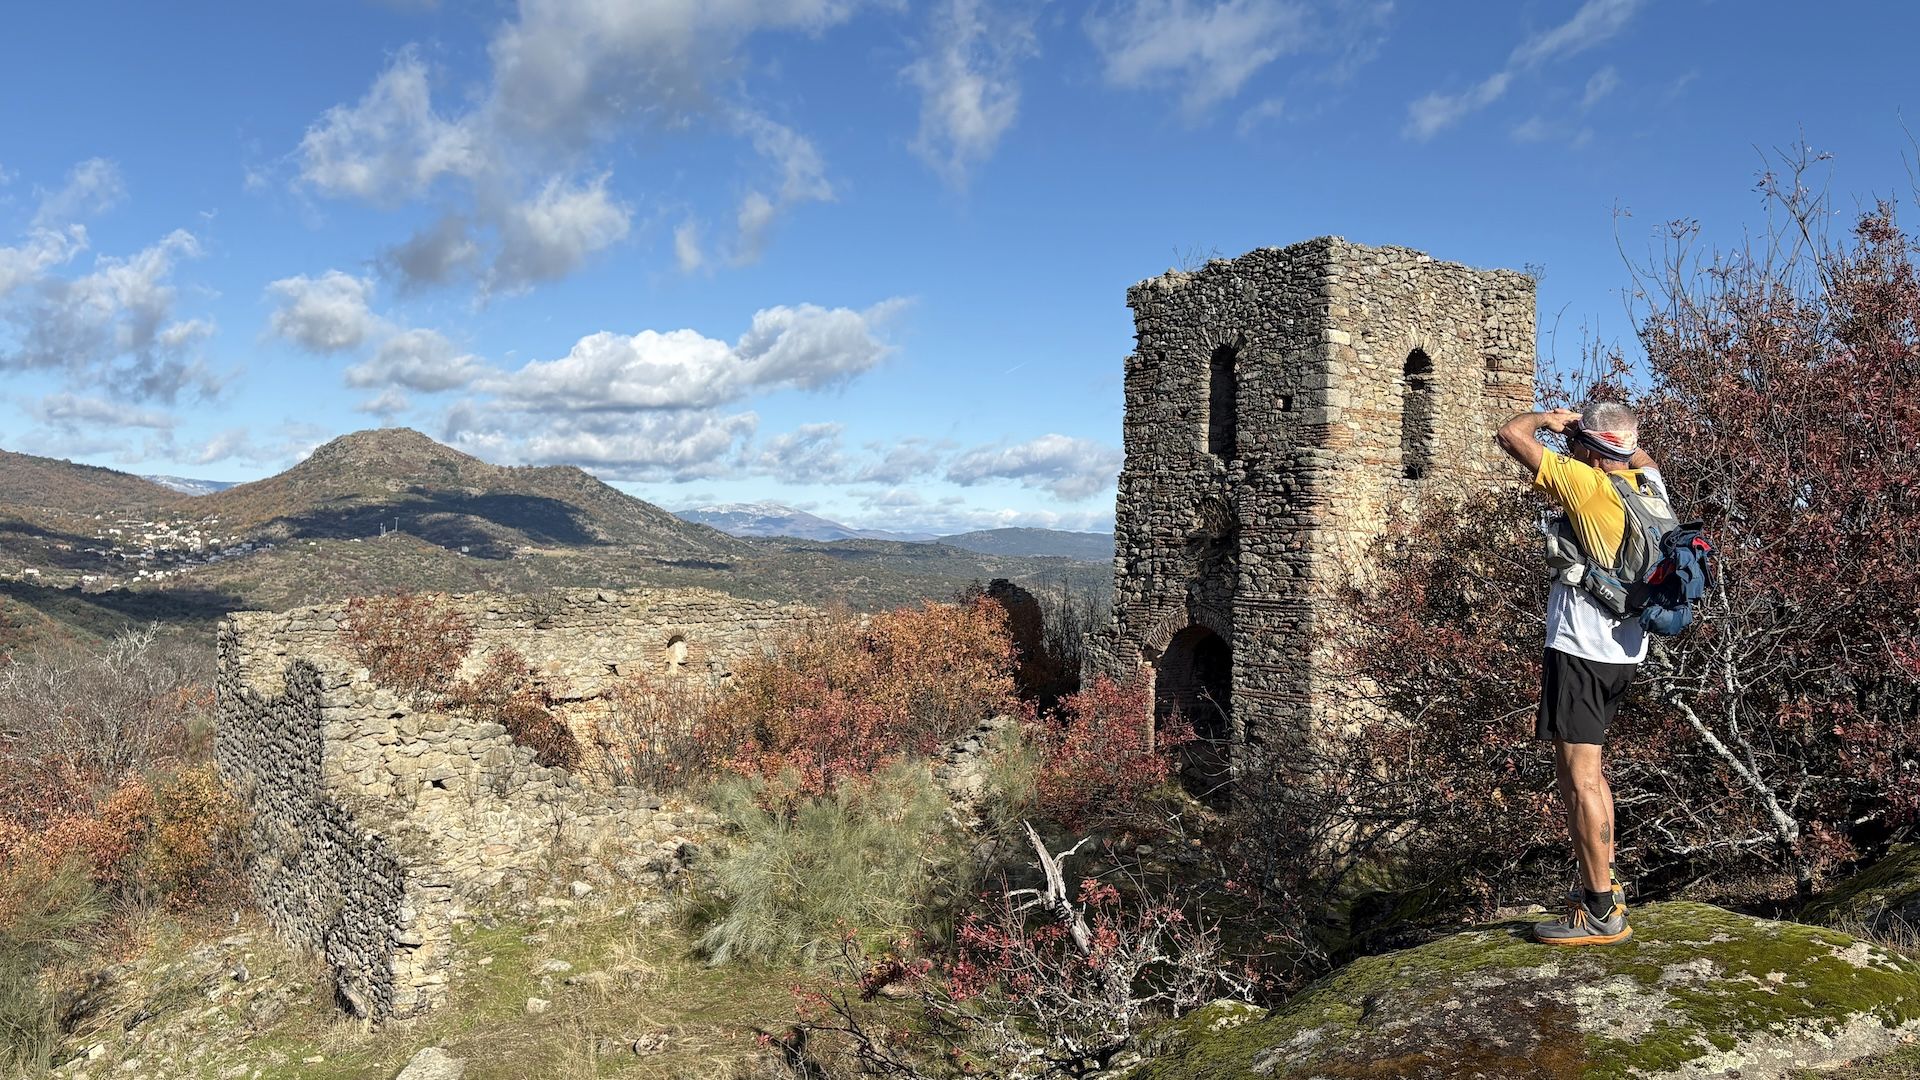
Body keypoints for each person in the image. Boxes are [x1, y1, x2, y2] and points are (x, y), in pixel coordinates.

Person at [1494, 401, 1663, 946]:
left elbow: (1510, 434)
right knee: (1594, 770)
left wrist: (1550, 421)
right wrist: (1601, 439)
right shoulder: (1649, 482)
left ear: (1593, 447)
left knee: (1578, 777)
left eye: (1582, 444)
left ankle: (1599, 912)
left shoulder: (1586, 485)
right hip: (1623, 654)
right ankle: (1604, 883)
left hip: (1580, 650)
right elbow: (1637, 448)